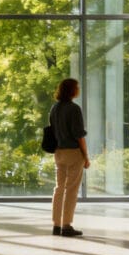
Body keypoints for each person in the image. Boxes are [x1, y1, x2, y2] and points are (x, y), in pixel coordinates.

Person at [49, 78, 89, 237]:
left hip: (59, 152)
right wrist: (85, 156)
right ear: (72, 90)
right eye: (77, 87)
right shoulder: (74, 109)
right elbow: (79, 135)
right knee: (71, 190)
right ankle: (66, 225)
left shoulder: (54, 109)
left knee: (59, 188)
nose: (78, 89)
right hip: (73, 152)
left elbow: (52, 130)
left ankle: (56, 225)